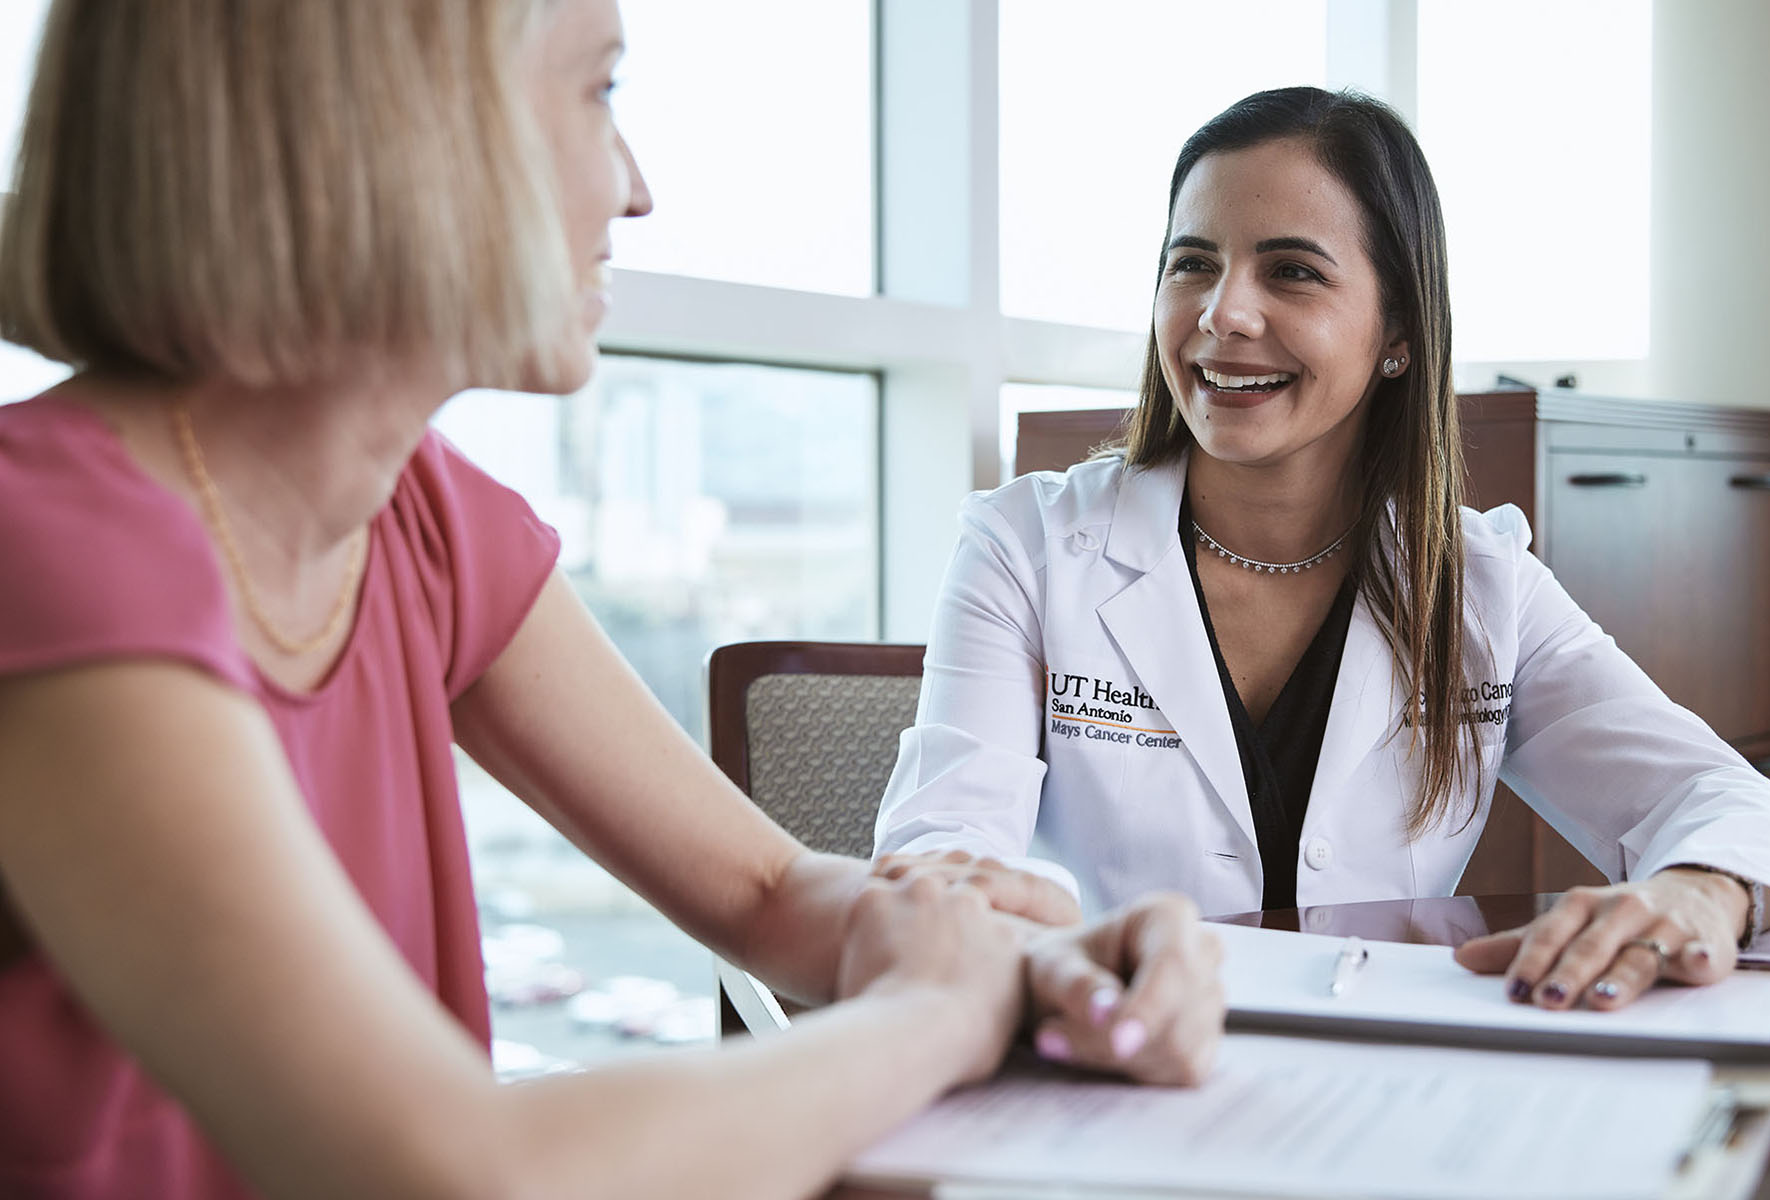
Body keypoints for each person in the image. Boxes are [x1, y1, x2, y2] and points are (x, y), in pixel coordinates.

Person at [0, 2, 1224, 1196]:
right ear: (395, 125)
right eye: (601, 92)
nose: (634, 187)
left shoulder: (421, 517)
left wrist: (1040, 965)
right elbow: (448, 1169)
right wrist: (936, 1017)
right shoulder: (48, 553)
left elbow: (766, 891)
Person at [874, 86, 1770, 1014]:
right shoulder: (1028, 546)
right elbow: (946, 839)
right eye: (1192, 263)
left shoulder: (1478, 583)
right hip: (1111, 1052)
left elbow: (1709, 792)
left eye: (1290, 270)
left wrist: (1705, 888)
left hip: (1379, 1077)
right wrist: (975, 917)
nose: (1223, 314)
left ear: (1398, 333)